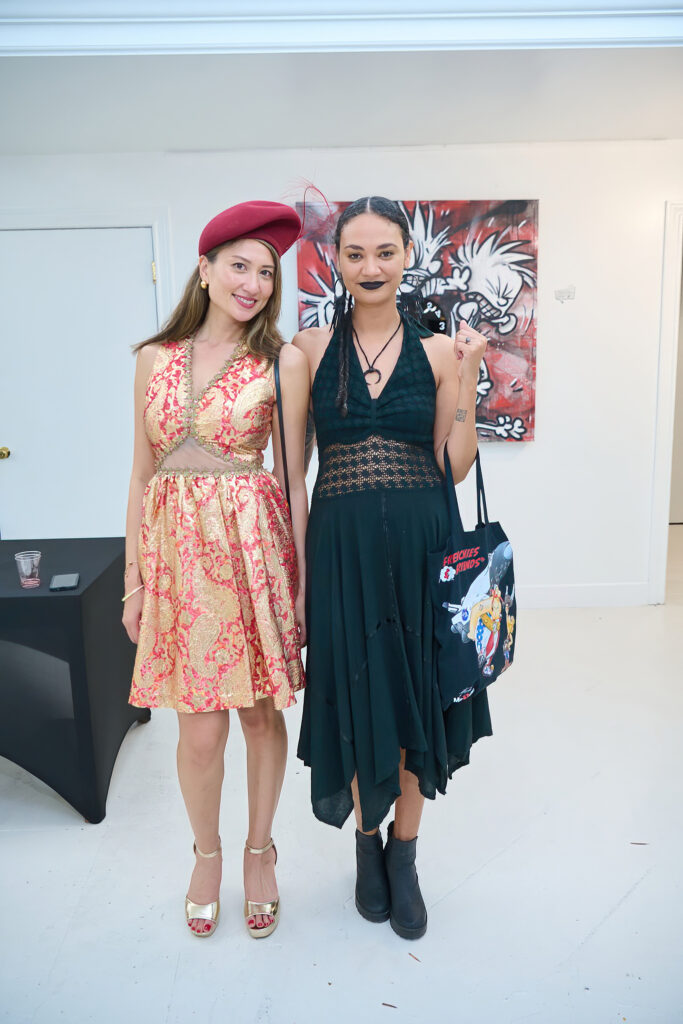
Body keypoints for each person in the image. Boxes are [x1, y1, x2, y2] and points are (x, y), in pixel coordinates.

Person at [295, 196, 493, 940]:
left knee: (414, 702)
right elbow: (293, 474)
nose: (371, 267)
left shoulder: (440, 351)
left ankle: (403, 857)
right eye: (355, 254)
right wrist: (300, 577)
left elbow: (453, 461)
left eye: (385, 252)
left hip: (422, 550)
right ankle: (365, 846)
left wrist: (468, 379)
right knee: (353, 698)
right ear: (336, 262)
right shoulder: (307, 352)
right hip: (341, 553)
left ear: (406, 255)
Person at [122, 201, 309, 940]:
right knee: (198, 733)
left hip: (254, 551)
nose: (255, 283)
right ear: (203, 269)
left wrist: (295, 582)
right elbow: (139, 473)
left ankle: (260, 851)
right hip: (176, 558)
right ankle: (207, 854)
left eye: (267, 272)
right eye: (239, 265)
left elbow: (293, 478)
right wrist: (136, 575)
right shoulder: (151, 359)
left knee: (260, 717)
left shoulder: (281, 361)